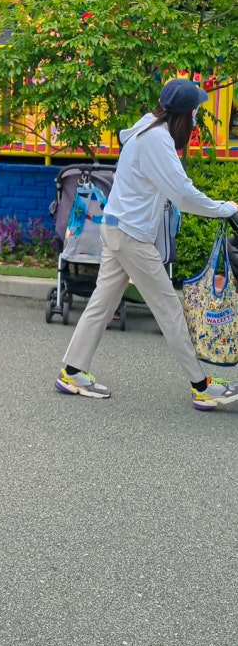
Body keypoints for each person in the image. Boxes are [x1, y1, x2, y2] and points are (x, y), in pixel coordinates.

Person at [58, 78, 238, 409]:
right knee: (168, 307)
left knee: (102, 303)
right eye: (196, 111)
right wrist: (225, 209)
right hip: (130, 237)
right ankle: (202, 387)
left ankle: (71, 372)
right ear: (184, 114)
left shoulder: (147, 128)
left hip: (116, 229)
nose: (197, 117)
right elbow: (182, 194)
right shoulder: (157, 140)